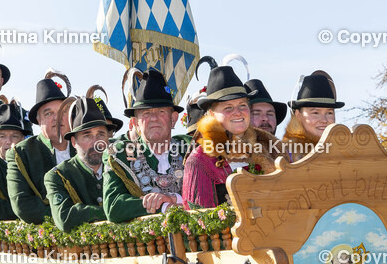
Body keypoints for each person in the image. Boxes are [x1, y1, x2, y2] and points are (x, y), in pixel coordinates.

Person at [182, 61, 285, 208]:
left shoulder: (271, 149)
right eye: (228, 107)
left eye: (242, 105)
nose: (238, 112)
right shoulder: (200, 161)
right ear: (212, 114)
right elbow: (198, 218)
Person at [103, 69, 191, 223]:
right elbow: (113, 206)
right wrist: (163, 206)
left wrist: (174, 199)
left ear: (173, 119)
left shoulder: (190, 149)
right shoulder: (119, 155)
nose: (154, 118)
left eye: (161, 111)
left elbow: (208, 193)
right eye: (146, 113)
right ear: (136, 123)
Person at [6, 71, 72, 224]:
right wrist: (70, 216)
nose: (57, 118)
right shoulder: (20, 154)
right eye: (48, 113)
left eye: (62, 112)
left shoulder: (85, 145)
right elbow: (23, 205)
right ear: (38, 119)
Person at [45, 95, 112, 231]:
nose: (96, 142)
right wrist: (114, 211)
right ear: (74, 142)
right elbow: (64, 218)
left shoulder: (120, 167)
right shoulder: (58, 176)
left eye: (100, 134)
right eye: (87, 135)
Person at [282, 70, 344, 161]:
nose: (324, 120)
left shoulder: (346, 152)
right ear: (298, 115)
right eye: (315, 113)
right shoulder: (283, 155)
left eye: (329, 113)